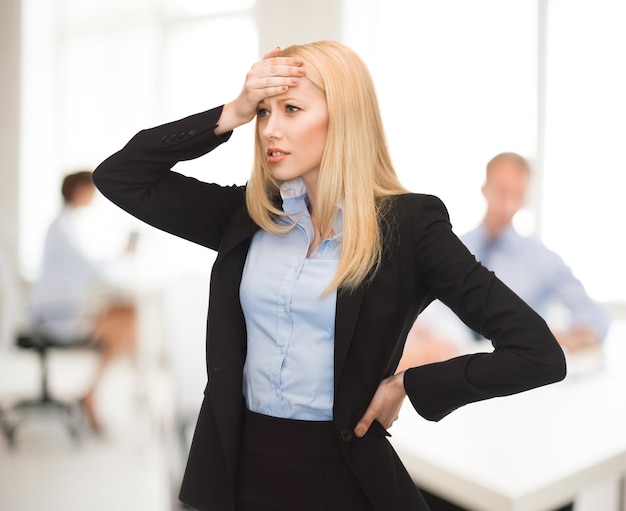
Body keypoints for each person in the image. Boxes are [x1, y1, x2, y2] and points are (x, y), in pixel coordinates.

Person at [93, 41, 566, 511]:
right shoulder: (249, 215)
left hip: (342, 477)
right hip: (240, 469)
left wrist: (409, 385)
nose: (268, 130)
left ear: (343, 118)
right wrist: (232, 110)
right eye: (264, 112)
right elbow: (121, 176)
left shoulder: (408, 226)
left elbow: (537, 353)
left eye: (291, 109)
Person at [398, 152, 610, 372]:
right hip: (450, 371)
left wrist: (571, 338)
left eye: (517, 195)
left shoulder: (542, 260)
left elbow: (594, 315)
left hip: (514, 381)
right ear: (485, 190)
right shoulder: (449, 249)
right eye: (501, 192)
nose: (507, 206)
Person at [28, 170, 138, 433]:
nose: (94, 195)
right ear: (78, 191)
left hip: (64, 308)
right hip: (55, 315)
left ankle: (96, 392)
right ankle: (96, 393)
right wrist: (122, 256)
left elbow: (85, 268)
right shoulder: (62, 229)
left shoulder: (66, 225)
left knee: (126, 318)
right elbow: (90, 268)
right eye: (91, 189)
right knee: (126, 320)